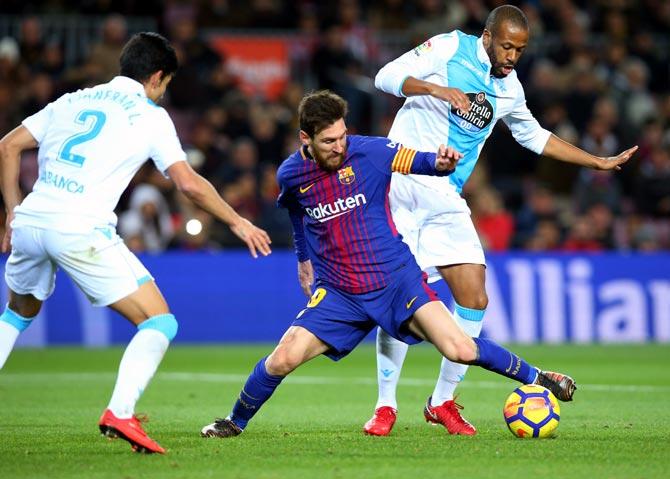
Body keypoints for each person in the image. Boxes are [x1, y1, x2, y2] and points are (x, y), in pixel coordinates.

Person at [199, 90, 575, 439]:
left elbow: (420, 161)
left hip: (397, 281)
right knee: (282, 358)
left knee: (459, 348)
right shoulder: (291, 175)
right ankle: (234, 422)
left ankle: (540, 377)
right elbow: (298, 215)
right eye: (329, 141)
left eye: (342, 136)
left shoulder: (370, 152)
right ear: (305, 139)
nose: (339, 146)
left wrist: (441, 164)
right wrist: (303, 260)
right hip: (340, 293)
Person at [362, 4, 637, 437]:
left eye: (520, 50)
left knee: (474, 298)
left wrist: (596, 162)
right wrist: (437, 91)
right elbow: (384, 77)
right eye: (506, 46)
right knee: (402, 298)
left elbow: (534, 134)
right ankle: (385, 405)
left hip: (445, 195)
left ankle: (442, 401)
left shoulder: (510, 88)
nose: (512, 56)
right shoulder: (451, 47)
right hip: (401, 181)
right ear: (487, 37)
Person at [0, 32, 271, 454]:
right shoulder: (148, 114)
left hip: (33, 220)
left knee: (17, 314)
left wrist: (12, 211)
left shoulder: (73, 99)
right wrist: (237, 221)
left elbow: (8, 146)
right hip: (80, 227)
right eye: (166, 84)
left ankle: (121, 411)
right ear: (158, 77)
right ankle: (120, 412)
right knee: (160, 322)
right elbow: (186, 183)